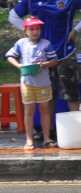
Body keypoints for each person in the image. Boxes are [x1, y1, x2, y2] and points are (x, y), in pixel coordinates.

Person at [10, 0, 81, 133]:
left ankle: (78, 131)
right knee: (46, 96)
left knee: (71, 93)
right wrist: (27, 30)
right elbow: (12, 16)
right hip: (42, 57)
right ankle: (47, 133)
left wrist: (76, 30)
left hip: (65, 52)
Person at [5, 16, 58, 149]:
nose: (35, 31)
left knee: (45, 109)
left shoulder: (46, 43)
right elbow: (9, 56)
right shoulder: (21, 43)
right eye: (31, 29)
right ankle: (29, 139)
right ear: (25, 30)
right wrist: (19, 66)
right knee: (29, 110)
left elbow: (54, 60)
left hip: (44, 83)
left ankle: (47, 137)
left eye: (37, 29)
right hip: (27, 82)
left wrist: (44, 65)